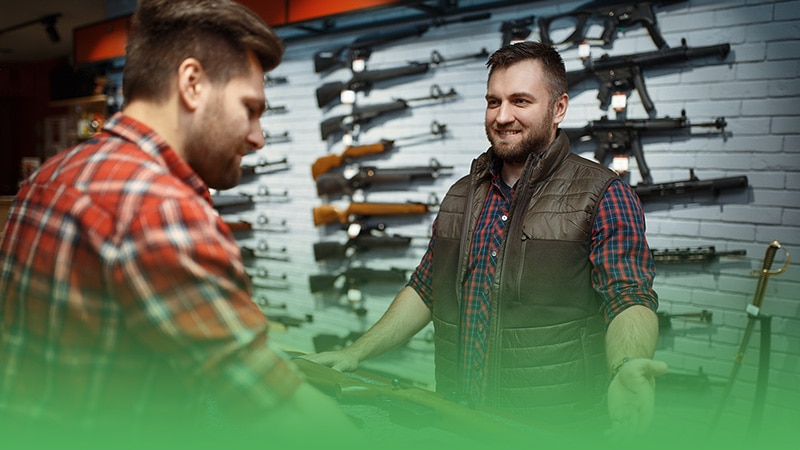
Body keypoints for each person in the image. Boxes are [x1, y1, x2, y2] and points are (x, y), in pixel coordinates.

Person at [0, 0, 359, 447]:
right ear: (192, 84)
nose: (258, 138)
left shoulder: (50, 176)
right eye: (250, 108)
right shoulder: (163, 210)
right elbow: (281, 412)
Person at [303, 41, 668, 440]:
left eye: (521, 101)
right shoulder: (461, 195)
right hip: (457, 417)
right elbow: (426, 288)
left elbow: (628, 296)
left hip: (552, 429)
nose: (503, 116)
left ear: (559, 108)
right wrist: (355, 352)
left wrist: (627, 365)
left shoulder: (602, 194)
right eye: (493, 102)